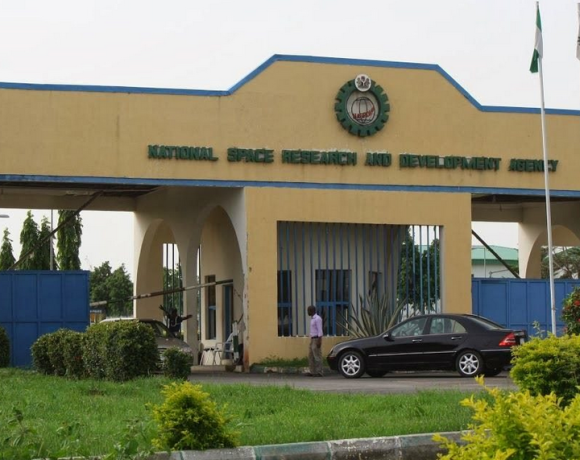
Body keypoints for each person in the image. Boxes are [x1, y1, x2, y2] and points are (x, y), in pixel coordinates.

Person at [305, 305, 323, 377]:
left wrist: (319, 340)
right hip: (312, 339)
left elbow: (320, 330)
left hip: (316, 339)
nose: (308, 312)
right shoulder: (312, 319)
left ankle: (319, 371)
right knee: (311, 356)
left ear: (312, 311)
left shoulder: (317, 319)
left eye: (308, 310)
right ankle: (312, 371)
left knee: (317, 355)